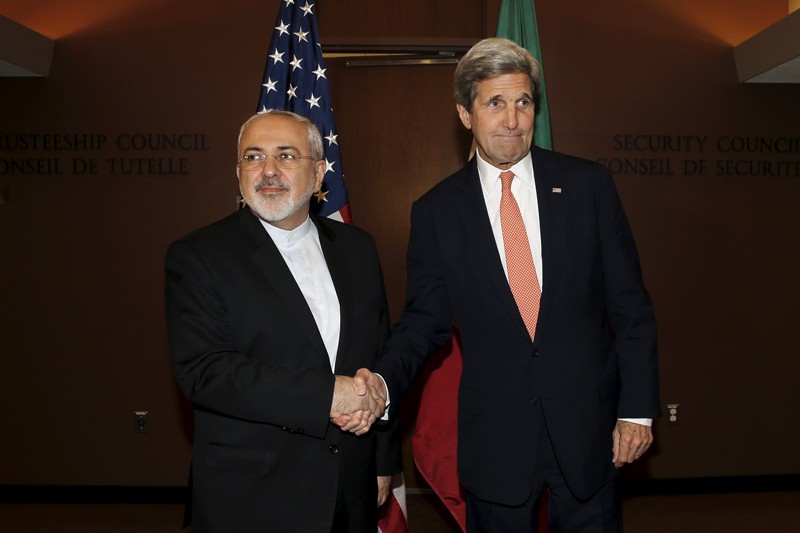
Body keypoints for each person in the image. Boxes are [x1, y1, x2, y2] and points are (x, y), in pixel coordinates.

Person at [361, 38, 660, 531]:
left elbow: (630, 308)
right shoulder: (437, 212)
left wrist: (639, 411)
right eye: (495, 103)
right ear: (465, 113)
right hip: (496, 441)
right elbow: (423, 324)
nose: (512, 119)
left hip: (591, 434)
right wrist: (382, 383)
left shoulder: (588, 186)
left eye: (523, 102)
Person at [165, 109, 401, 533]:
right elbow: (205, 372)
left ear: (318, 174)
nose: (268, 170)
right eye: (253, 157)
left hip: (350, 488)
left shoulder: (358, 248)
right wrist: (326, 395)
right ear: (238, 172)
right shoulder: (199, 255)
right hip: (251, 495)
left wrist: (383, 461)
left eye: (286, 155)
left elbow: (379, 354)